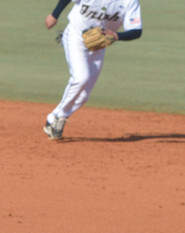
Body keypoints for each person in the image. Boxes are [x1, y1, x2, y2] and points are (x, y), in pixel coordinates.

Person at [43, 0, 143, 140]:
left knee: (83, 97)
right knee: (80, 78)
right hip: (75, 37)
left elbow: (136, 31)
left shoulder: (129, 2)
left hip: (98, 46)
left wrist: (117, 36)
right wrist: (54, 15)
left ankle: (55, 117)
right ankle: (57, 118)